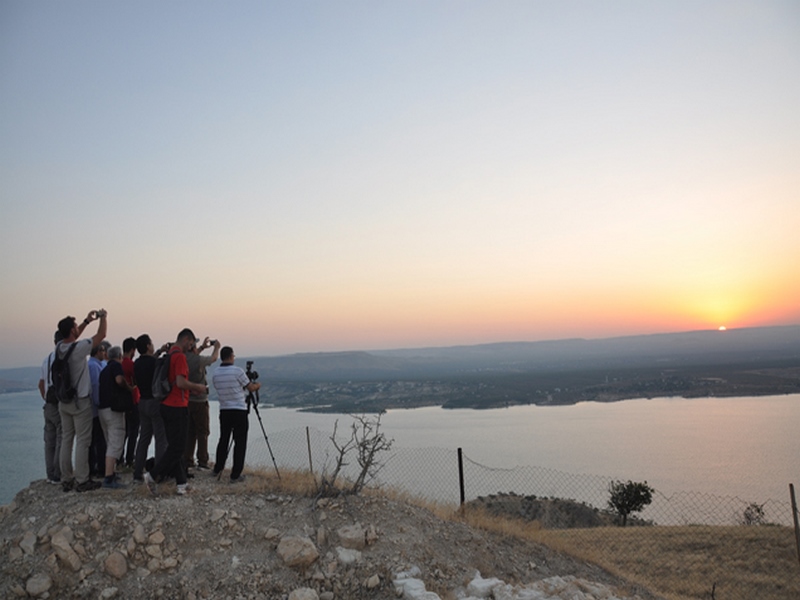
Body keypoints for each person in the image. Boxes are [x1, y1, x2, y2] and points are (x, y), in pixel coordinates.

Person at [143, 328, 207, 496]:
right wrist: (197, 387)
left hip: (166, 404)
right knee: (178, 448)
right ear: (186, 339)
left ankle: (181, 483)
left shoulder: (169, 355)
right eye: (192, 343)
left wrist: (190, 391)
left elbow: (173, 383)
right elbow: (180, 382)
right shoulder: (179, 357)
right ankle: (152, 475)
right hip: (177, 407)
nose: (192, 347)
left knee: (175, 446)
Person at [56, 309, 108, 493]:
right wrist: (103, 317)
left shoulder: (59, 348)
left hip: (64, 402)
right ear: (72, 331)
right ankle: (82, 479)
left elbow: (74, 339)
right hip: (80, 402)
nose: (78, 328)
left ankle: (66, 478)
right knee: (83, 440)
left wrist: (86, 321)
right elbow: (101, 335)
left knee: (66, 439)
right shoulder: (79, 350)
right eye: (76, 327)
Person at [212, 346, 260, 483]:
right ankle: (235, 474)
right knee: (240, 442)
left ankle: (218, 468)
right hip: (239, 410)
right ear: (231, 356)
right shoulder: (238, 371)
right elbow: (250, 387)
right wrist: (258, 386)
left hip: (224, 410)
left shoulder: (216, 373)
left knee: (223, 439)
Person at [133, 334, 169, 482]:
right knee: (161, 439)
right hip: (155, 402)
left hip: (142, 402)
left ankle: (137, 473)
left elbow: (150, 360)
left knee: (143, 439)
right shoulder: (155, 363)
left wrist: (160, 350)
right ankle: (158, 474)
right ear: (148, 346)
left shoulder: (136, 363)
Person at [98, 346, 135, 489]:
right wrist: (129, 388)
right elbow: (119, 380)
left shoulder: (104, 370)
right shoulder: (116, 367)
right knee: (116, 441)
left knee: (110, 441)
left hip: (103, 409)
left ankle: (111, 472)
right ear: (120, 355)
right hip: (114, 410)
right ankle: (108, 478)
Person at [184, 336, 220, 471]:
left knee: (190, 431)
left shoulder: (184, 358)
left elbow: (193, 356)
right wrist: (216, 348)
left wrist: (203, 347)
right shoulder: (197, 360)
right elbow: (213, 359)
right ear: (191, 346)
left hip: (188, 400)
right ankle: (203, 461)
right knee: (203, 431)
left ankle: (188, 459)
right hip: (200, 401)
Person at [37, 331, 64, 484]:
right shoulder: (61, 358)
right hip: (58, 403)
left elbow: (40, 384)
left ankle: (50, 474)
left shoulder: (45, 360)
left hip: (48, 404)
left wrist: (46, 398)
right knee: (62, 437)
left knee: (49, 441)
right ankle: (57, 473)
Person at [88, 341, 110, 478]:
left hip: (92, 409)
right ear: (97, 352)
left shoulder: (94, 364)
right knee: (98, 440)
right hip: (95, 409)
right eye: (102, 351)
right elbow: (96, 386)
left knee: (95, 440)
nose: (104, 353)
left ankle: (95, 466)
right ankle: (99, 468)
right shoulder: (94, 366)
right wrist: (99, 402)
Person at [121, 337, 140, 468]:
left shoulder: (119, 363)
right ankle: (129, 458)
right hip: (133, 400)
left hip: (123, 402)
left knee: (125, 431)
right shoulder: (130, 364)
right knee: (133, 431)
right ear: (133, 350)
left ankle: (120, 457)